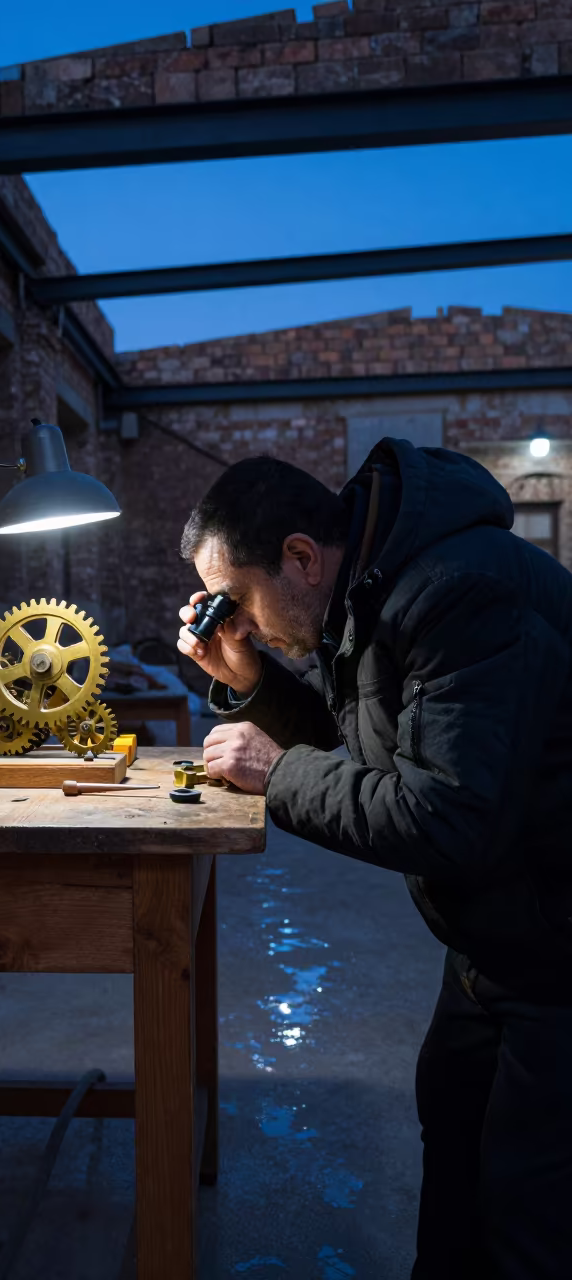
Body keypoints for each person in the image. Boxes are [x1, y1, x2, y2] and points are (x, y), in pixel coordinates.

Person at [177, 441, 572, 1280]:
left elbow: (447, 816)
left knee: (527, 1201)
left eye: (235, 602)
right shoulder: (373, 589)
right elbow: (363, 752)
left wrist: (275, 771)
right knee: (456, 1138)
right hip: (496, 938)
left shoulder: (460, 591)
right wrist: (248, 676)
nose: (236, 622)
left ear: (299, 556)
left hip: (557, 945)